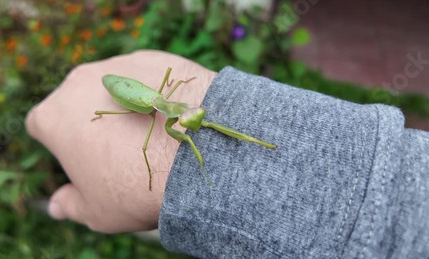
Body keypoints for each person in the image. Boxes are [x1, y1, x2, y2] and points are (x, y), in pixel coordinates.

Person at [26, 50, 429, 258]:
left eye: (194, 115)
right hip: (129, 96)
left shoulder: (178, 112)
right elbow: (155, 144)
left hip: (153, 98)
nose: (195, 120)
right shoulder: (163, 118)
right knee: (150, 143)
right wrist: (152, 175)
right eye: (192, 115)